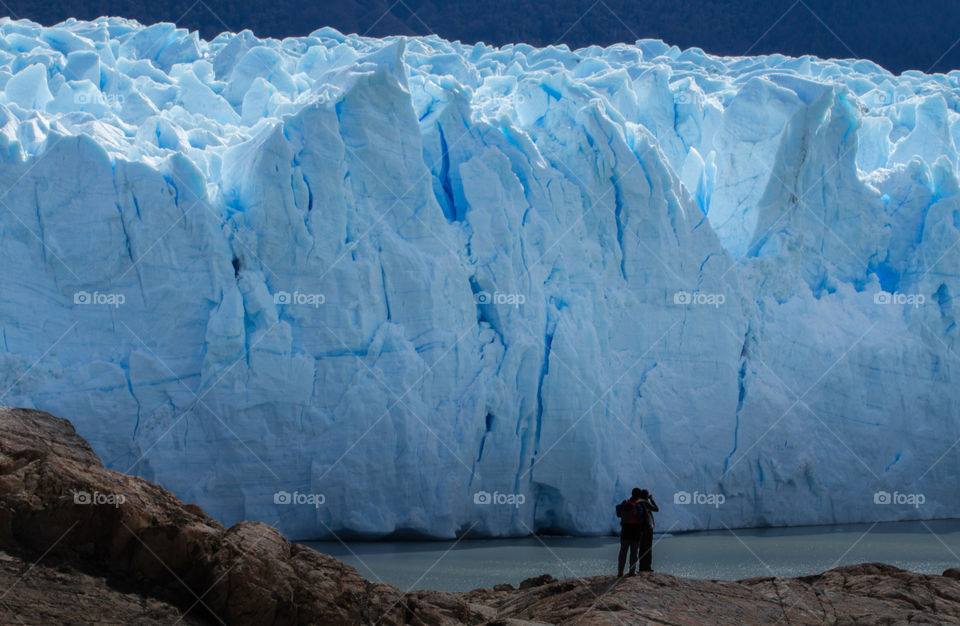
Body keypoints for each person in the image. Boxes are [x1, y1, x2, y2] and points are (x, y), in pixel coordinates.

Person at [616, 487, 645, 577]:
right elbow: (642, 516)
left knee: (623, 552)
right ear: (639, 495)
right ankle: (632, 572)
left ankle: (620, 572)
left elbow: (618, 514)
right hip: (635, 532)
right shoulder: (639, 504)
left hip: (625, 531)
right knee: (634, 553)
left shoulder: (625, 502)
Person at [637, 489, 658, 572]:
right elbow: (656, 509)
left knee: (641, 548)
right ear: (646, 496)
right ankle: (647, 567)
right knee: (648, 548)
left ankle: (641, 567)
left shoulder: (637, 502)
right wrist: (652, 500)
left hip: (639, 529)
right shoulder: (645, 502)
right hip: (647, 529)